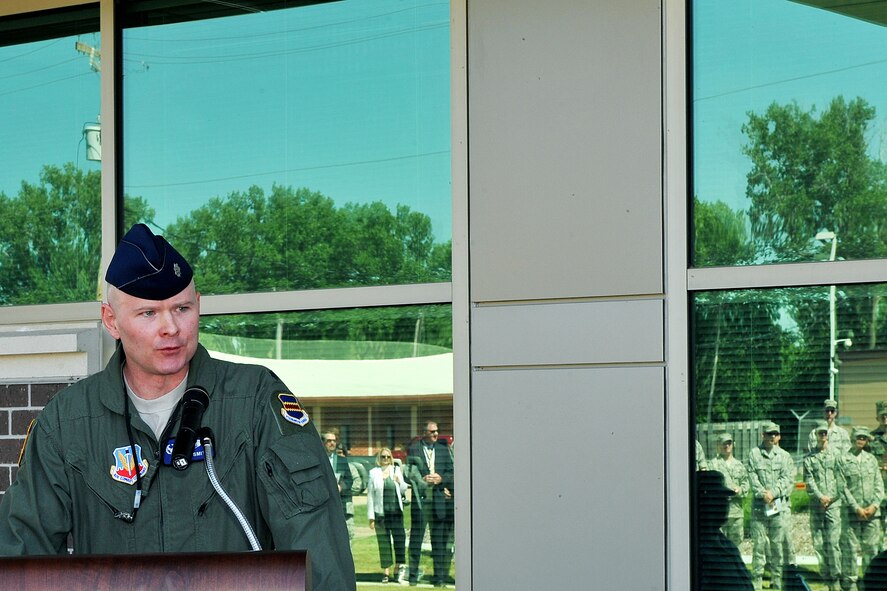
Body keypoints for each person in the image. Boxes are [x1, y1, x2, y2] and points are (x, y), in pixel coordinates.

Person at [0, 223, 355, 591]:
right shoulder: (67, 421)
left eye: (181, 308)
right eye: (148, 313)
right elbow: (21, 557)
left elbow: (318, 548)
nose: (171, 327)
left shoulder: (253, 401)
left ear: (198, 306)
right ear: (111, 321)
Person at [747, 421, 795, 591]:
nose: (771, 437)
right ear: (763, 435)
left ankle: (777, 580)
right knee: (759, 545)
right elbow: (752, 478)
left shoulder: (785, 456)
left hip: (778, 505)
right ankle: (757, 581)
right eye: (769, 434)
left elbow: (788, 480)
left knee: (777, 545)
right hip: (760, 507)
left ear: (778, 436)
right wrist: (763, 494)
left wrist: (773, 493)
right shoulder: (754, 454)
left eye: (774, 434)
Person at [405, 421, 454, 587]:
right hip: (421, 501)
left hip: (438, 500)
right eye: (432, 432)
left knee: (438, 541)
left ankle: (439, 578)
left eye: (437, 431)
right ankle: (412, 577)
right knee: (416, 540)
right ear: (424, 433)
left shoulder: (442, 450)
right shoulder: (414, 449)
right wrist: (421, 479)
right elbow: (408, 475)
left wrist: (441, 479)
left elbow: (451, 473)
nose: (435, 434)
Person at [840, 426, 884, 591]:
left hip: (872, 514)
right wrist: (856, 508)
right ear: (853, 438)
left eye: (864, 438)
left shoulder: (871, 459)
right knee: (850, 550)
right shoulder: (843, 459)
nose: (861, 440)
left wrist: (873, 506)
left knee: (871, 550)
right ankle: (851, 583)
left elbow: (879, 485)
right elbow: (842, 487)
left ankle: (870, 582)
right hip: (852, 513)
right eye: (859, 437)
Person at [695, 470, 754, 591]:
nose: (725, 503)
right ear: (705, 502)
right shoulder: (696, 550)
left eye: (726, 499)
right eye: (719, 498)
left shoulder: (726, 545)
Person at [804, 420, 843, 591]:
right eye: (820, 433)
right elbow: (809, 481)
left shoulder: (837, 455)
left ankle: (836, 578)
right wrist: (821, 497)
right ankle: (826, 576)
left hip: (834, 505)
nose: (822, 436)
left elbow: (842, 479)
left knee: (833, 543)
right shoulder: (809, 459)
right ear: (816, 435)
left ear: (828, 435)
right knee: (819, 543)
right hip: (817, 505)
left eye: (825, 433)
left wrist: (831, 498)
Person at [367, 447, 409, 584]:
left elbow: (404, 489)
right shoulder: (374, 473)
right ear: (379, 458)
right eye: (383, 457)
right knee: (384, 544)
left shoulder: (396, 470)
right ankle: (386, 572)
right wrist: (371, 517)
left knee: (399, 542)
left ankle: (398, 571)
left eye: (388, 457)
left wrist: (399, 481)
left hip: (396, 514)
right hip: (381, 515)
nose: (386, 459)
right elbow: (370, 496)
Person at [708, 432, 750, 546]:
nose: (726, 446)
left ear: (733, 444)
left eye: (729, 443)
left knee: (736, 545)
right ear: (718, 445)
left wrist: (739, 490)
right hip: (719, 513)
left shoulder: (739, 465)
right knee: (718, 546)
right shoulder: (712, 465)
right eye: (723, 444)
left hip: (736, 512)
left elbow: (746, 485)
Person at [322, 429, 355, 544]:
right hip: (324, 506)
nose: (332, 443)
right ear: (323, 443)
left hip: (341, 506)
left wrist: (341, 487)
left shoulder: (342, 461)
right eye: (329, 441)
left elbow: (349, 481)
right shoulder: (319, 460)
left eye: (334, 441)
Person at [866, 400, 887, 540]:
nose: (885, 418)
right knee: (878, 532)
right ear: (877, 418)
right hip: (879, 491)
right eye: (882, 415)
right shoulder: (871, 439)